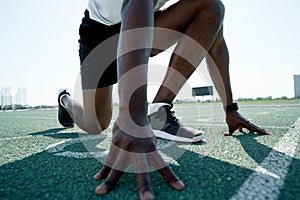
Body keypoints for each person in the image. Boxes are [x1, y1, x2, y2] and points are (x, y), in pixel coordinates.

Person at [57, 0, 269, 199]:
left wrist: (230, 108)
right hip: (99, 33)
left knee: (211, 7)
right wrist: (133, 115)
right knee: (96, 124)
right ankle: (65, 100)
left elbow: (216, 41)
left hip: (145, 21)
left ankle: (160, 110)